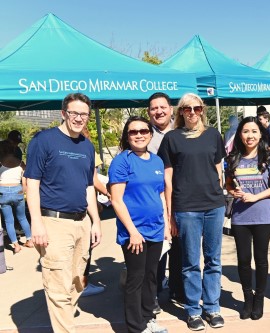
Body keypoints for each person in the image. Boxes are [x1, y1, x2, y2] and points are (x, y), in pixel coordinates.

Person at [25, 93, 102, 333]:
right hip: (54, 222)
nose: (79, 118)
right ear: (63, 113)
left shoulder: (87, 146)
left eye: (84, 114)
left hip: (81, 223)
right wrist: (36, 224)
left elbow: (89, 186)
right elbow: (31, 183)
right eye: (74, 113)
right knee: (58, 286)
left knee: (77, 282)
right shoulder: (44, 140)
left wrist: (96, 221)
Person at [158, 93, 226, 331]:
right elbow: (168, 178)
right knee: (189, 263)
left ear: (203, 110)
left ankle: (212, 307)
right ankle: (193, 311)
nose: (193, 113)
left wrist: (221, 194)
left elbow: (218, 169)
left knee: (214, 260)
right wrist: (170, 214)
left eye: (197, 108)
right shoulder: (172, 138)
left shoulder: (213, 135)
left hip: (214, 206)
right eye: (187, 109)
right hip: (186, 208)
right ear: (181, 112)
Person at [108, 116, 168, 333]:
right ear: (127, 136)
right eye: (134, 132)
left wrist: (167, 225)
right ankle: (136, 327)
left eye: (144, 131)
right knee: (136, 278)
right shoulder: (122, 161)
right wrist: (132, 231)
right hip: (134, 232)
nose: (139, 135)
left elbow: (160, 193)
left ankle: (147, 317)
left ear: (150, 134)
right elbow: (116, 199)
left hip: (156, 229)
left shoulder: (157, 161)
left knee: (152, 277)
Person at [225, 117, 270, 320]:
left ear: (260, 135)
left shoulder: (268, 158)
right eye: (246, 131)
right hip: (241, 217)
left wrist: (255, 196)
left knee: (261, 259)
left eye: (254, 131)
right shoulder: (233, 158)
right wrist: (233, 192)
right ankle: (247, 298)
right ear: (240, 134)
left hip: (264, 216)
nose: (250, 135)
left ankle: (259, 299)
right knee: (243, 260)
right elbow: (228, 184)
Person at [145, 92, 183, 313]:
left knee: (180, 249)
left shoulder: (181, 133)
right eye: (153, 108)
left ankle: (178, 289)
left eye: (162, 107)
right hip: (154, 203)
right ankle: (154, 294)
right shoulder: (143, 134)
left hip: (180, 200)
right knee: (156, 252)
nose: (158, 111)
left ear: (171, 110)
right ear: (149, 112)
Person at [80, 127, 109, 297]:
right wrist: (109, 193)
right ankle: (83, 283)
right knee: (86, 247)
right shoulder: (88, 148)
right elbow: (93, 180)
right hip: (86, 206)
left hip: (70, 205)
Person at [0, 142, 32, 254]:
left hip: (3, 192)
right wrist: (24, 188)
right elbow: (25, 175)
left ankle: (16, 245)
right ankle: (29, 240)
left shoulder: (0, 163)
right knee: (22, 218)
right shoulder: (20, 163)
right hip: (17, 190)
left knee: (9, 221)